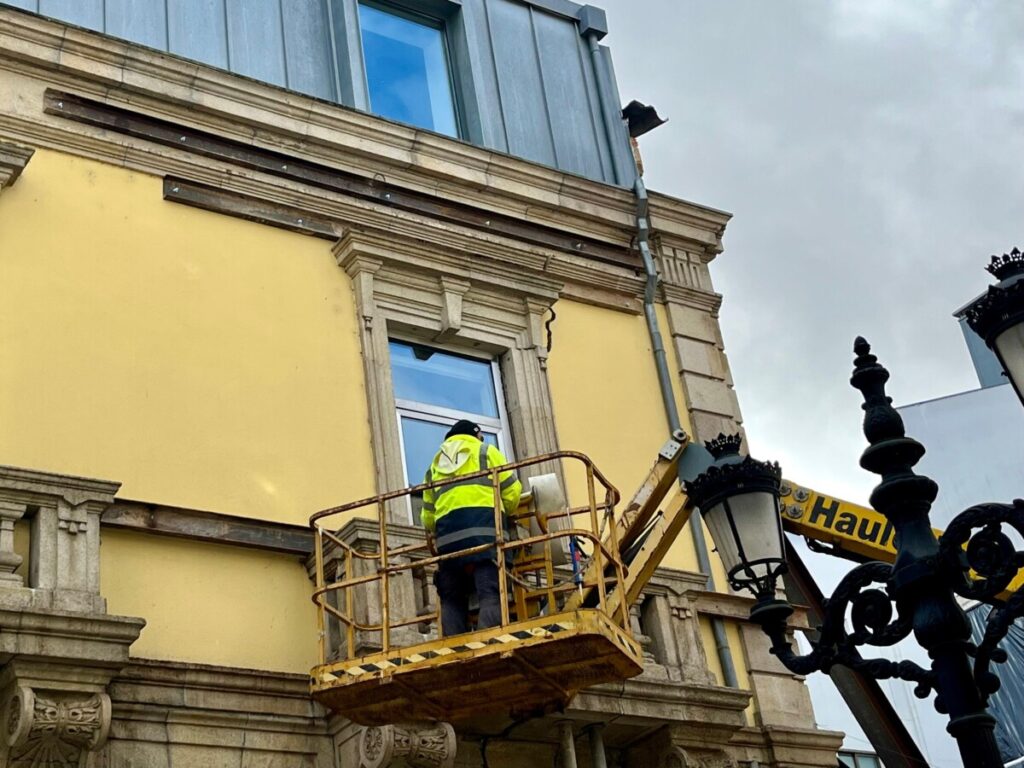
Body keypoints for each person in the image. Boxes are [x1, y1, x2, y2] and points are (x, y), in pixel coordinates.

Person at [421, 419, 521, 636]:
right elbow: (513, 493)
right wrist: (506, 512)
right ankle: (487, 641)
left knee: (452, 598)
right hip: (485, 538)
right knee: (491, 593)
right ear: (475, 435)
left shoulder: (434, 467)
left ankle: (456, 648)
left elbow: (428, 518)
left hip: (448, 544)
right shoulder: (486, 452)